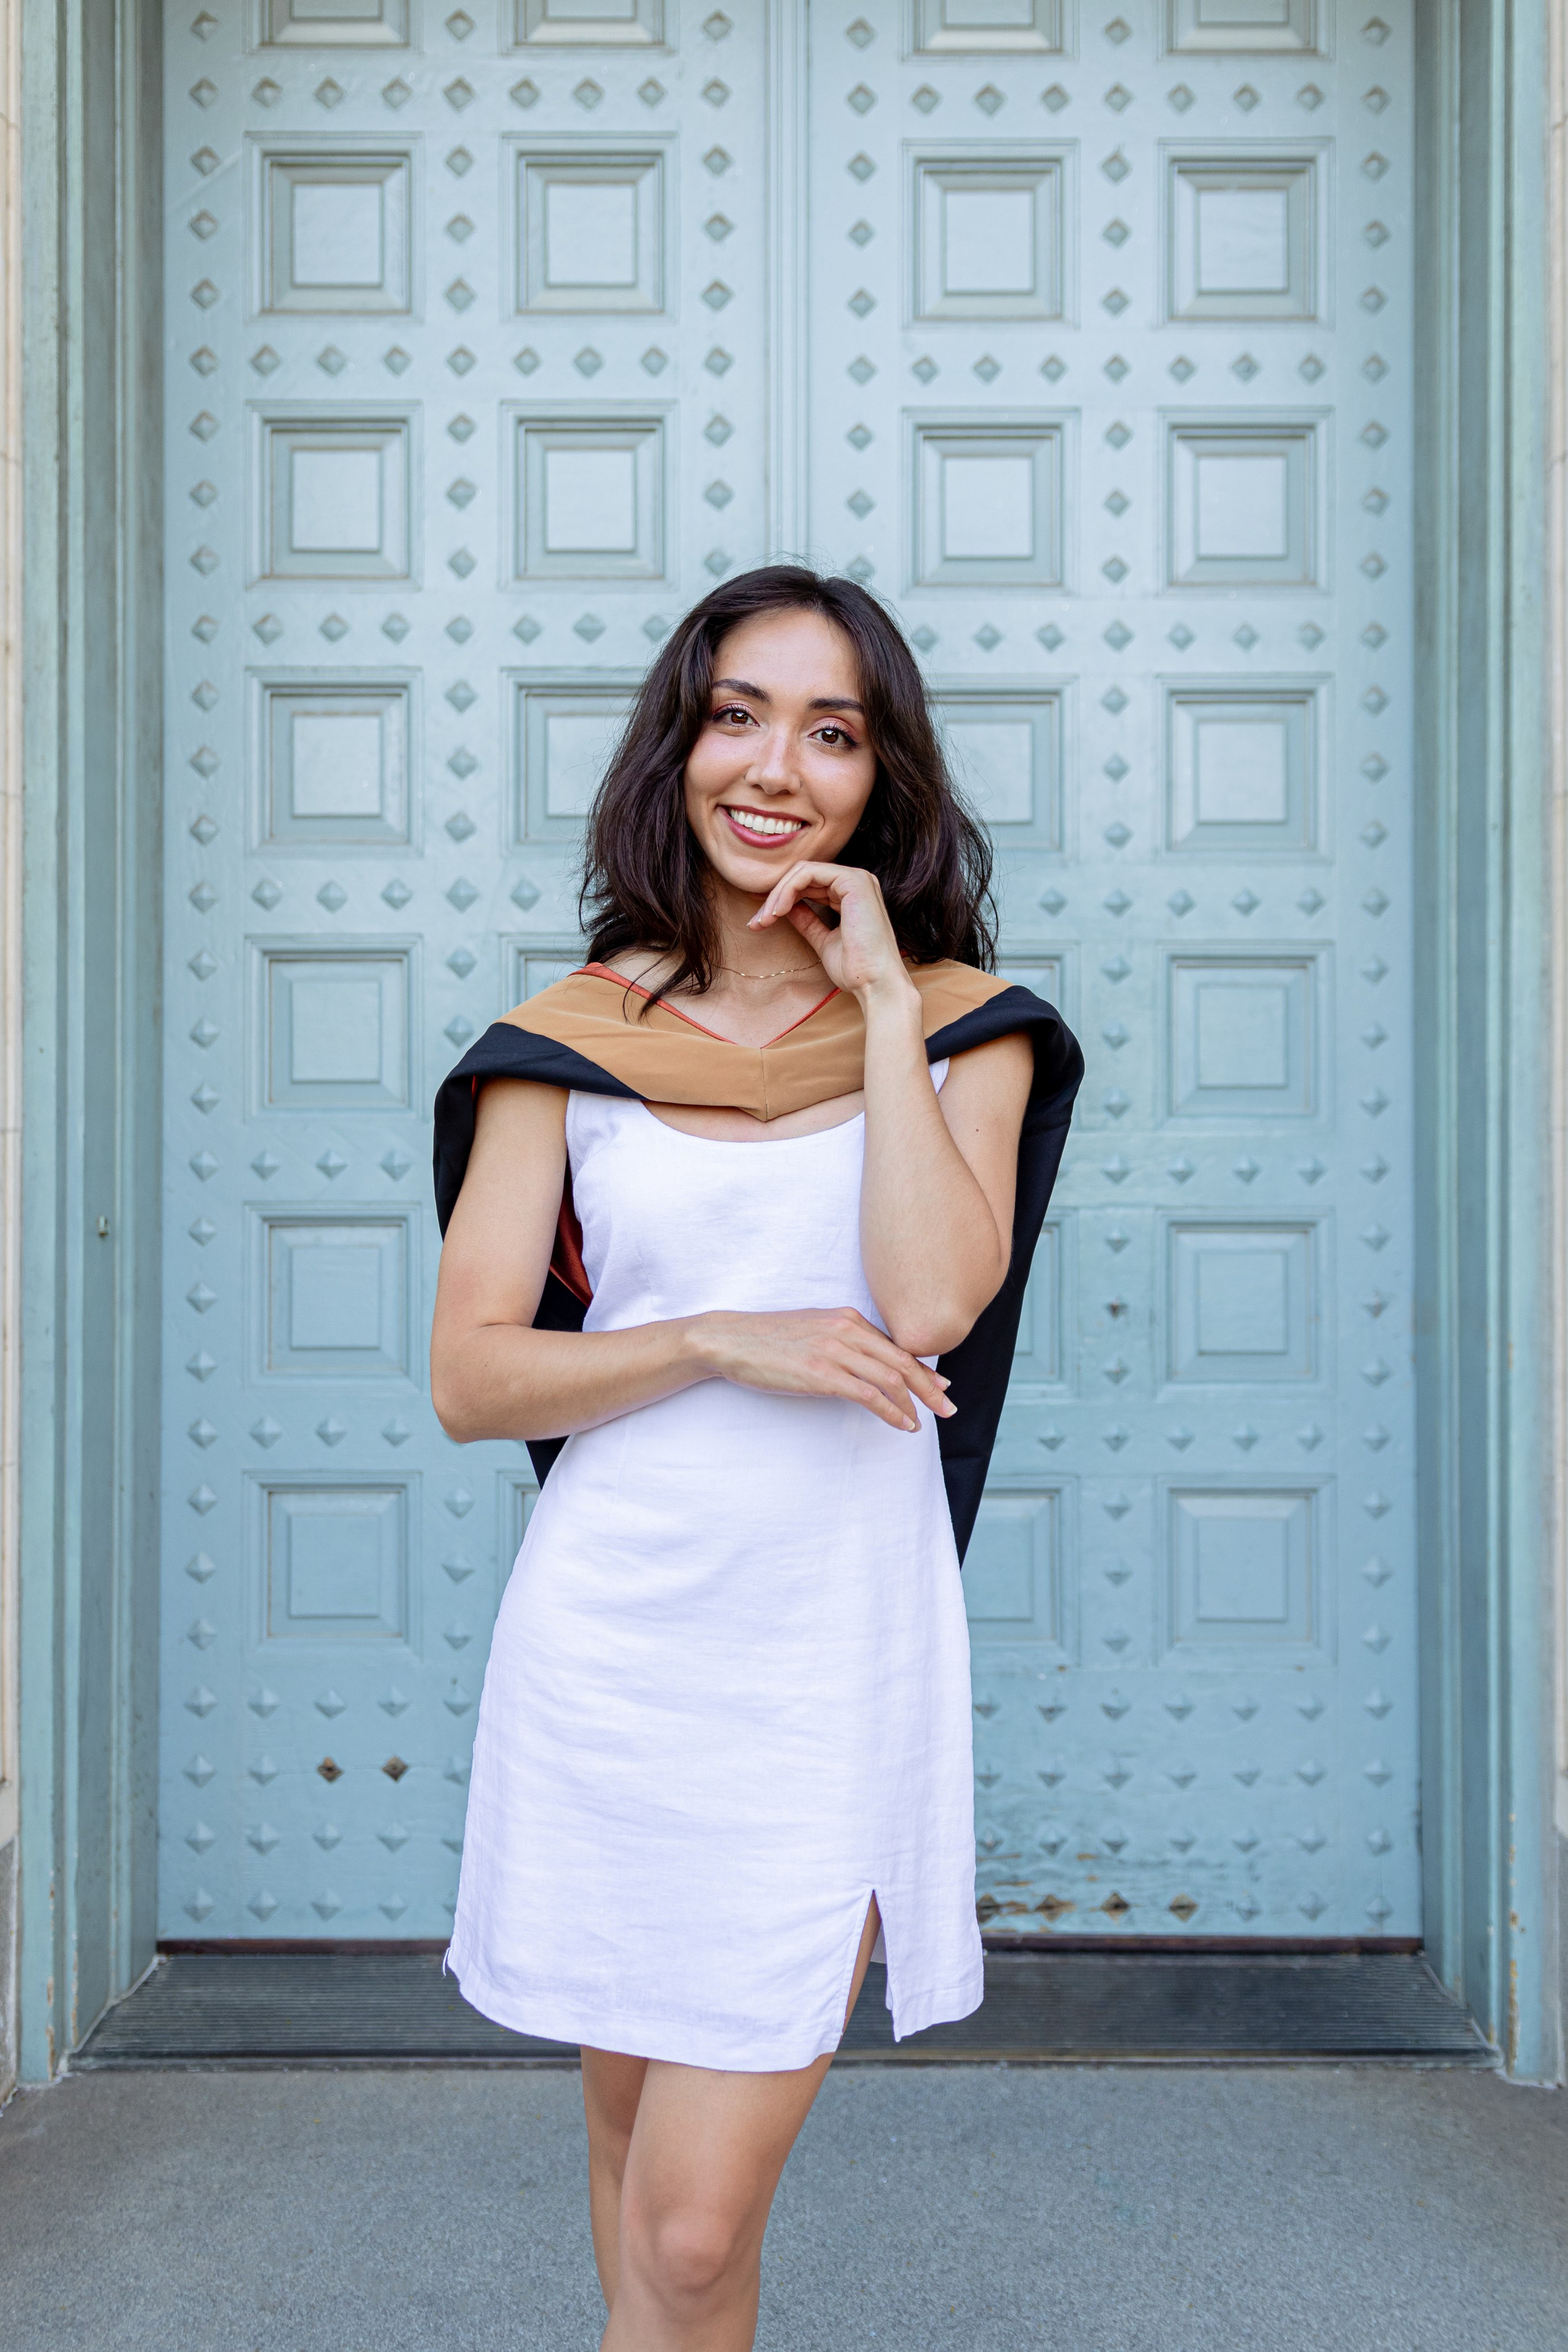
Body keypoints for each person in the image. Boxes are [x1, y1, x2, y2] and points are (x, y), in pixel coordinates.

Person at [429, 567, 1081, 2351]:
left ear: (885, 781)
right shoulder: (565, 1045)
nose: (775, 763)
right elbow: (478, 1379)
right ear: (679, 744)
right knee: (637, 2166)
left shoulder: (967, 1028)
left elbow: (935, 1297)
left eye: (834, 728)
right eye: (737, 712)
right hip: (614, 1644)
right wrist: (723, 1337)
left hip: (826, 1657)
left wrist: (881, 1009)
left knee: (700, 2233)